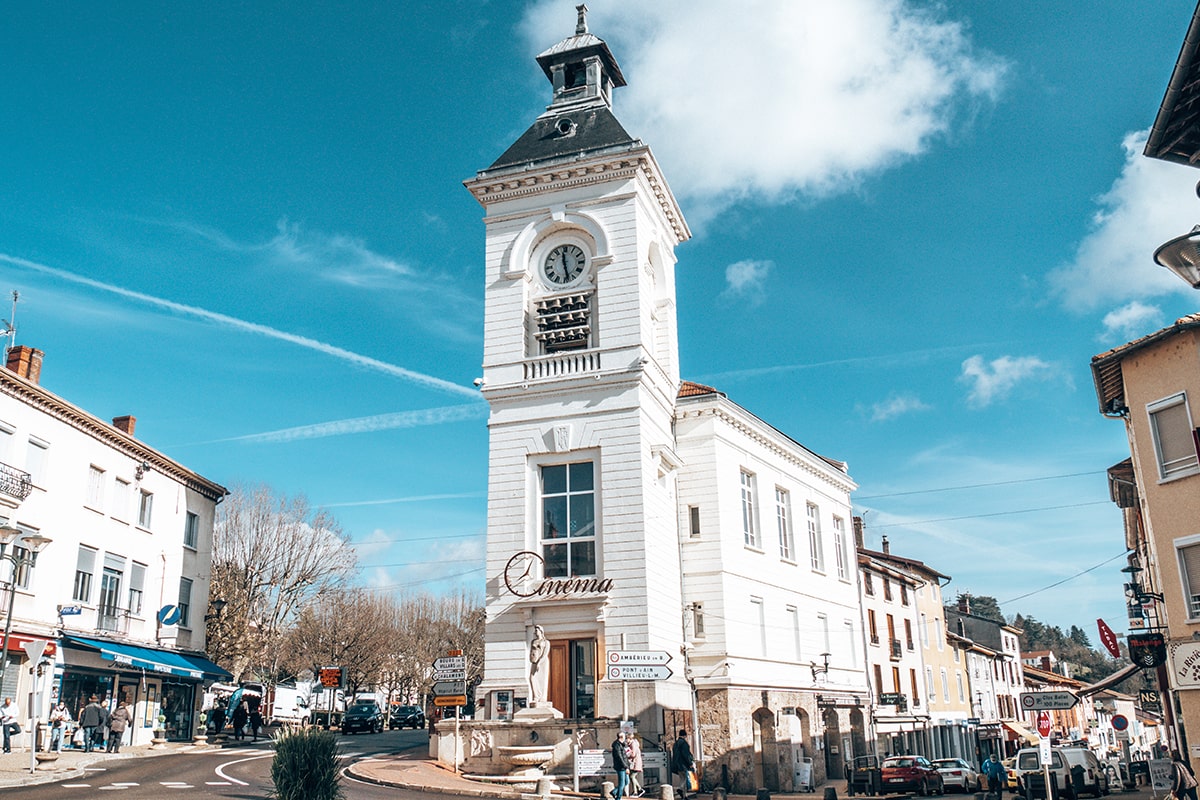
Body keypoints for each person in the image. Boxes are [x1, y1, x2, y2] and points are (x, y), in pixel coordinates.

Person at [529, 625, 550, 705]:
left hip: (543, 662)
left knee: (542, 679)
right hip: (534, 661)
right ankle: (536, 696)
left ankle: (542, 698)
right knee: (532, 678)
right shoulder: (533, 641)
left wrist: (539, 662)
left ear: (541, 631)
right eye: (535, 630)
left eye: (537, 630)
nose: (535, 632)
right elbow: (531, 652)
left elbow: (545, 654)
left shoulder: (546, 642)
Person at [672, 729, 695, 800]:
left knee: (682, 778)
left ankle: (684, 796)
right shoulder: (684, 744)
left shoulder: (675, 744)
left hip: (677, 764)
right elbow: (686, 755)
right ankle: (681, 789)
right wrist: (690, 763)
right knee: (684, 778)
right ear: (685, 735)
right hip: (683, 764)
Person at [611, 731, 631, 800]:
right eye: (624, 737)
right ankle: (618, 798)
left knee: (627, 781)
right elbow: (620, 757)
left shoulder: (622, 744)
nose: (625, 738)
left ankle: (614, 792)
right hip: (621, 767)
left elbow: (625, 756)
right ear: (621, 737)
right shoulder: (617, 745)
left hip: (624, 766)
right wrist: (626, 767)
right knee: (622, 783)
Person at [627, 733, 644, 797]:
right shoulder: (633, 744)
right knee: (632, 776)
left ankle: (636, 791)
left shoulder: (633, 744)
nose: (626, 740)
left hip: (635, 763)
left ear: (629, 738)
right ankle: (639, 789)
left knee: (632, 777)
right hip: (635, 762)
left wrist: (627, 755)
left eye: (627, 739)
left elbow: (633, 754)